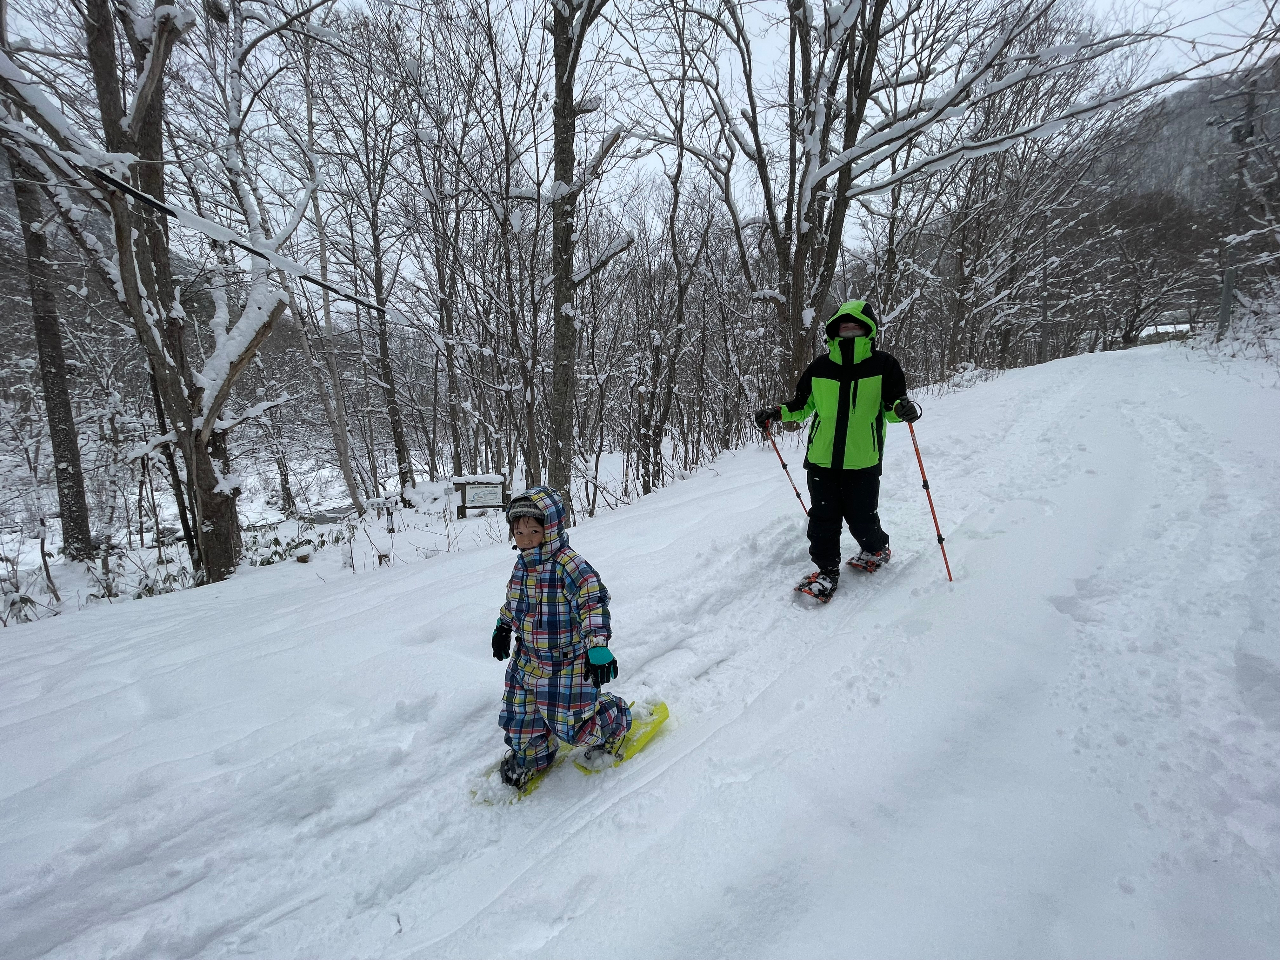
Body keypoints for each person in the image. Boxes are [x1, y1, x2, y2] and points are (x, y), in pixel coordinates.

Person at [754, 299, 921, 601]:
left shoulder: (883, 365)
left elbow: (892, 406)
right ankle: (826, 571)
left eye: (856, 326)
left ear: (868, 330)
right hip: (821, 460)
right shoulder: (819, 367)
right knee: (822, 519)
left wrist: (906, 410)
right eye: (844, 327)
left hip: (863, 460)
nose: (849, 331)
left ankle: (875, 548)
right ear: (833, 330)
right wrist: (775, 413)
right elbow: (802, 405)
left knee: (862, 518)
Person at [490, 486, 631, 788]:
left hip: (566, 664)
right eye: (518, 532)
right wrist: (504, 626)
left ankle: (615, 718)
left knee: (575, 727)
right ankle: (534, 754)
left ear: (551, 527)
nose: (525, 539)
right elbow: (516, 601)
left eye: (533, 531)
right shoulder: (522, 565)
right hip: (526, 661)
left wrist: (597, 647)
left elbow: (592, 601)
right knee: (520, 717)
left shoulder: (570, 565)